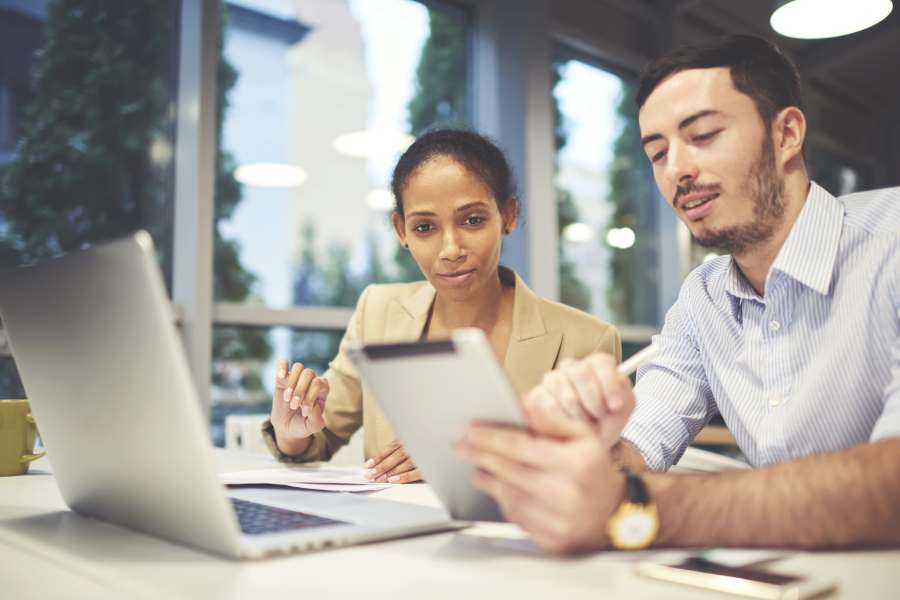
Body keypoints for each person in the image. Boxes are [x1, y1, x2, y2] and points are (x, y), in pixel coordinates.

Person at [458, 35, 900, 553]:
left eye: (704, 135)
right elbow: (641, 444)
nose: (677, 171)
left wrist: (636, 508)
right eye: (658, 152)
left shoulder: (889, 244)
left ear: (786, 134)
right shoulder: (703, 298)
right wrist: (585, 450)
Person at [262, 128, 621, 483]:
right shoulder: (378, 311)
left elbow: (595, 477)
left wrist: (467, 465)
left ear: (508, 215)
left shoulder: (586, 341)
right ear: (401, 230)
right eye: (424, 228)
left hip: (511, 537)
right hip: (389, 533)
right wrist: (293, 432)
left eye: (473, 220)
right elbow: (321, 438)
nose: (450, 250)